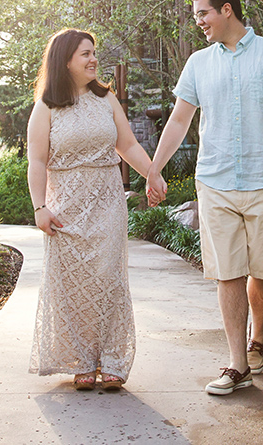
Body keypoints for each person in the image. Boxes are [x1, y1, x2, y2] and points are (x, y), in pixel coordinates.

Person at [145, 0, 263, 395]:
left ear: (227, 10)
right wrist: (154, 169)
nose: (198, 21)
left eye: (203, 13)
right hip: (214, 181)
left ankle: (259, 331)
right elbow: (179, 120)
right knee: (228, 274)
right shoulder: (198, 63)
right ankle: (238, 364)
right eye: (197, 15)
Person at [27, 28, 155, 391]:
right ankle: (82, 359)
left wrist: (152, 175)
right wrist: (40, 208)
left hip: (108, 203)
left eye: (93, 52)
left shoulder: (106, 99)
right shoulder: (46, 107)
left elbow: (127, 144)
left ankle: (113, 358)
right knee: (73, 285)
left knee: (109, 280)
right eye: (85, 54)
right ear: (65, 61)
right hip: (65, 207)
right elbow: (36, 162)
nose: (93, 59)